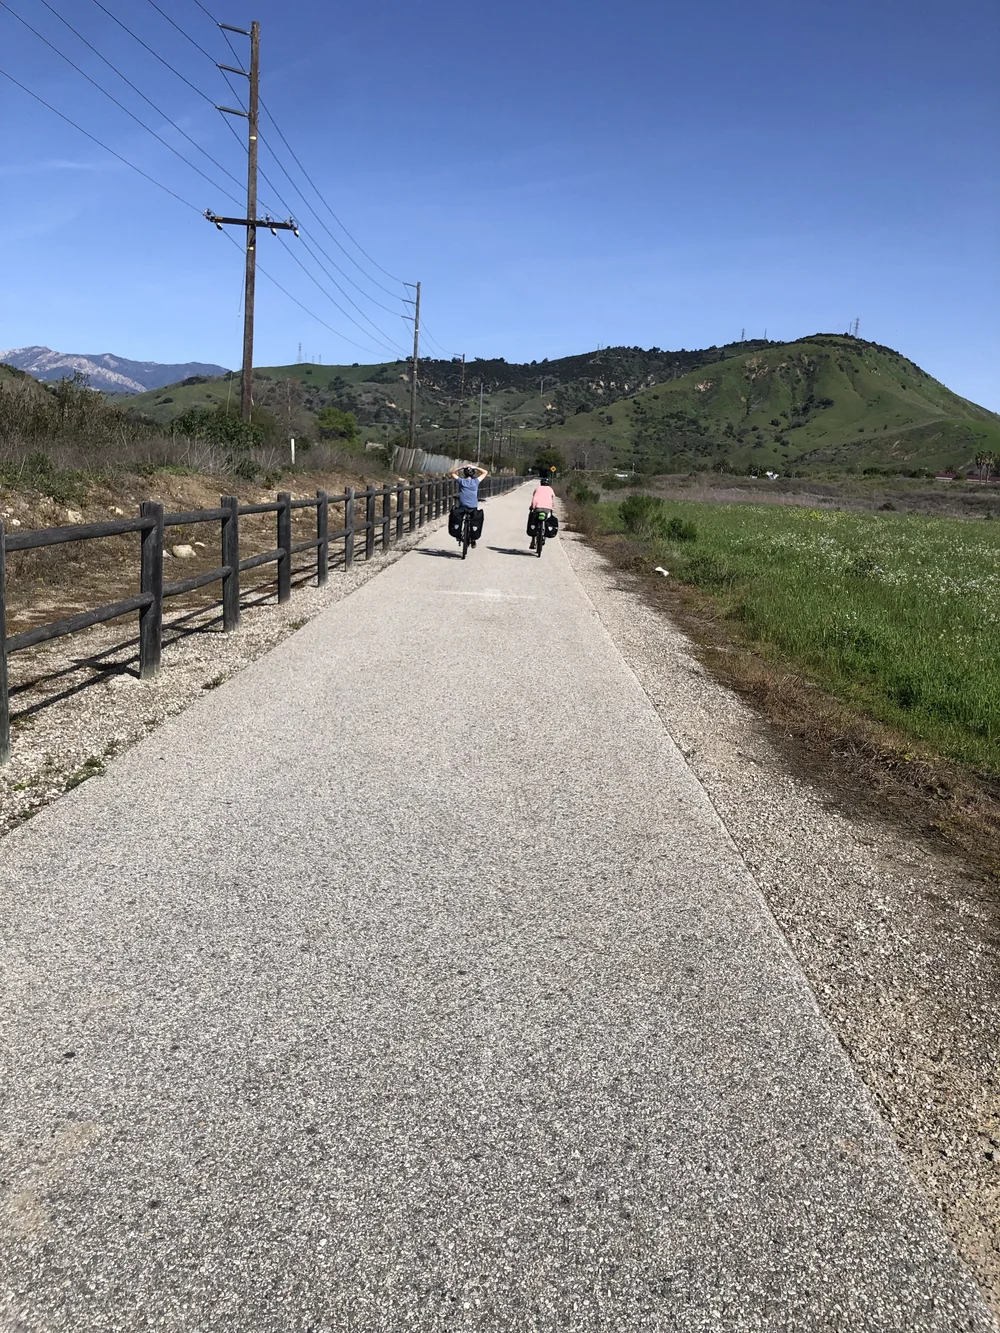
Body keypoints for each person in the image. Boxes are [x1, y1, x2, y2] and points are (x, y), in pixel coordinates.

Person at [447, 464, 489, 547]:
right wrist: (475, 467)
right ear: (473, 474)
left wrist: (461, 467)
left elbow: (451, 472)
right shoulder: (476, 481)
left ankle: (458, 535)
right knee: (474, 521)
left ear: (464, 474)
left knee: (458, 518)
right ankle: (473, 539)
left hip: (462, 507)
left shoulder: (462, 481)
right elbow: (485, 472)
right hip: (473, 507)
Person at [528, 472, 557, 549]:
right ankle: (544, 536)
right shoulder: (550, 489)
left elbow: (534, 499)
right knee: (547, 521)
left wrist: (532, 507)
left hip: (537, 509)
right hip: (547, 510)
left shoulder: (537, 489)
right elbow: (553, 499)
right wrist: (551, 508)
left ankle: (533, 541)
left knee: (534, 521)